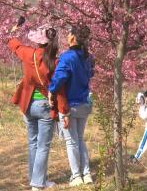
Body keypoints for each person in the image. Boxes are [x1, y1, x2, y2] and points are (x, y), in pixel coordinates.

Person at [8, 20, 69, 191]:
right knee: (43, 145)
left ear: (37, 41)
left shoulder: (28, 54)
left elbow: (13, 43)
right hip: (45, 105)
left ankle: (34, 178)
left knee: (33, 142)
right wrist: (64, 112)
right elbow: (60, 89)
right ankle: (38, 183)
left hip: (28, 104)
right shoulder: (55, 62)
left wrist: (15, 28)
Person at [48, 24, 94, 187]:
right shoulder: (89, 57)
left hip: (69, 105)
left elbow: (59, 78)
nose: (67, 36)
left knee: (71, 142)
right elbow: (91, 74)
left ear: (74, 37)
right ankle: (86, 173)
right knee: (80, 140)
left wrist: (51, 90)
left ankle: (76, 176)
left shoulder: (67, 57)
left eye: (69, 33)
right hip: (84, 103)